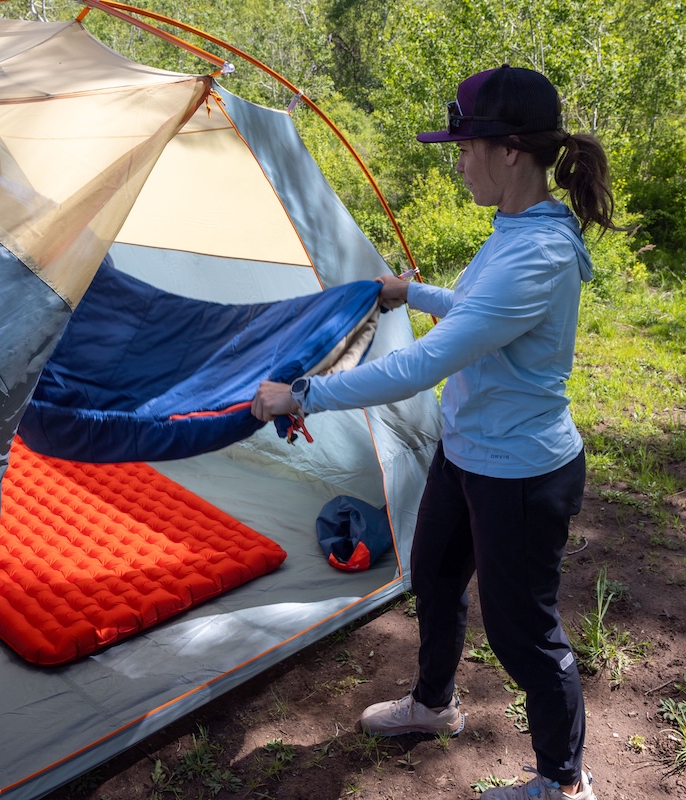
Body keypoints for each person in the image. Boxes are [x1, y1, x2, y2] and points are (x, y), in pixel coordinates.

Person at [251, 64, 622, 800]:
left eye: (465, 148)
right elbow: (481, 311)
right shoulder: (518, 229)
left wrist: (302, 395)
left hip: (520, 473)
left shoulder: (539, 253)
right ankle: (434, 704)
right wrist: (411, 291)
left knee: (524, 635)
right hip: (469, 453)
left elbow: (424, 364)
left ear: (509, 150)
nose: (458, 163)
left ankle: (563, 781)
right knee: (436, 576)